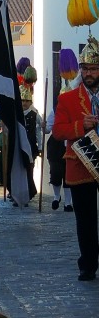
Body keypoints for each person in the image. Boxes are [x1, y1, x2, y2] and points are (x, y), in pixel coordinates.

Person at [53, 35, 99, 281]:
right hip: (81, 163)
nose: (89, 72)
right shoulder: (67, 98)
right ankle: (88, 263)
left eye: (93, 68)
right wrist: (82, 125)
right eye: (85, 68)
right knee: (86, 219)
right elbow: (59, 130)